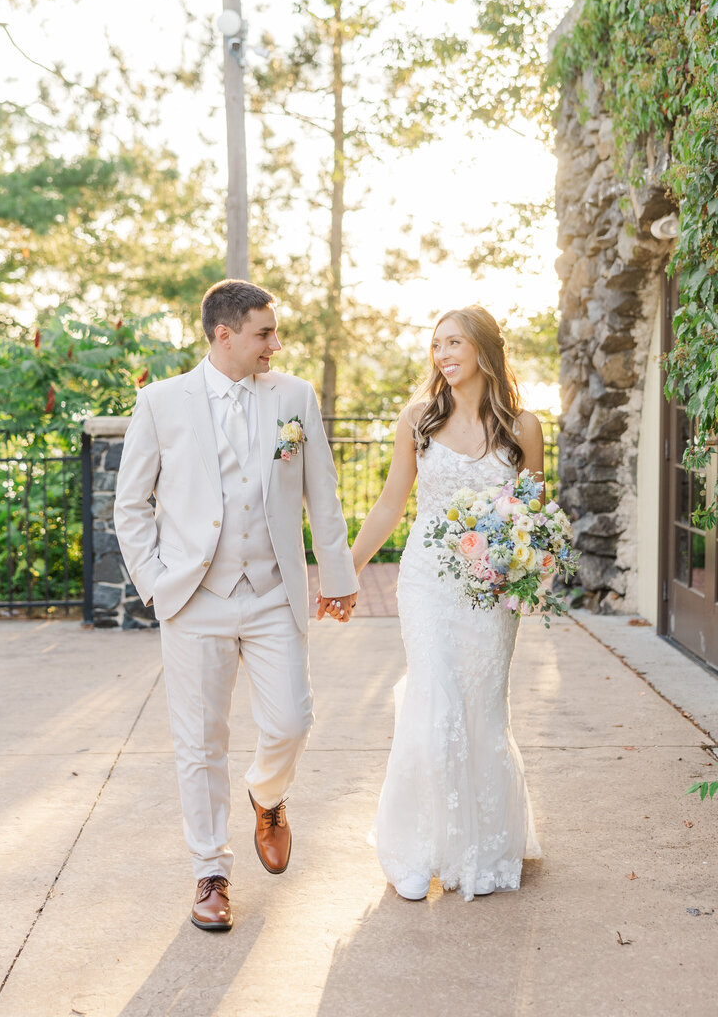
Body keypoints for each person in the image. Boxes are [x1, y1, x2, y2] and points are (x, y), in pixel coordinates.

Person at [114, 280, 357, 932]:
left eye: (275, 333)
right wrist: (159, 585)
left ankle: (268, 795)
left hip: (274, 593)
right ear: (225, 336)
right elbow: (131, 505)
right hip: (194, 599)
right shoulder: (161, 403)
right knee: (199, 742)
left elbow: (322, 495)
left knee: (292, 723)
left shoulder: (294, 398)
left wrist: (337, 577)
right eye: (264, 333)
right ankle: (210, 874)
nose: (275, 345)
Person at [347, 305, 543, 902]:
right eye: (436, 345)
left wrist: (521, 570)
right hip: (428, 581)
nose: (442, 355)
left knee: (481, 710)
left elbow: (532, 515)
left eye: (453, 342)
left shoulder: (524, 427)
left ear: (483, 350)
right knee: (435, 703)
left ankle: (480, 848)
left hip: (491, 590)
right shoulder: (418, 419)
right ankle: (413, 850)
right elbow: (388, 506)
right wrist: (342, 572)